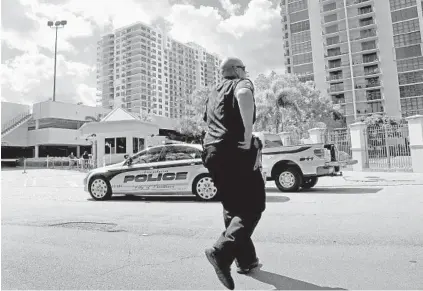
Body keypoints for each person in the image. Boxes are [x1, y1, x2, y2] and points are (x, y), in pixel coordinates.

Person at [202, 57, 266, 290]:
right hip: (235, 151)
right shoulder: (241, 83)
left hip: (212, 153)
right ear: (237, 71)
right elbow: (244, 96)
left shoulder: (212, 93)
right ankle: (221, 252)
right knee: (253, 207)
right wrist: (248, 134)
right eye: (244, 69)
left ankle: (246, 261)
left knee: (233, 208)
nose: (245, 72)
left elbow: (209, 122)